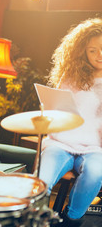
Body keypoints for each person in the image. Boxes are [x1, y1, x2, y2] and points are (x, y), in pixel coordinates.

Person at [40, 17, 102, 227]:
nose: (99, 55)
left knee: (96, 173)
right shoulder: (71, 75)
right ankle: (37, 219)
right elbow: (55, 107)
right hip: (60, 143)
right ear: (83, 51)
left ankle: (70, 219)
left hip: (95, 148)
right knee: (43, 182)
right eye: (92, 50)